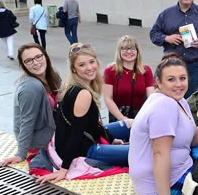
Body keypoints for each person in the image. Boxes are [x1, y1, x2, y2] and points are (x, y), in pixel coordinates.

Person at [129, 54, 198, 195]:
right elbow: (160, 154)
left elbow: (190, 141)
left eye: (182, 78)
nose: (178, 84)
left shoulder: (178, 100)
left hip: (177, 169)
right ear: (159, 82)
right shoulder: (165, 106)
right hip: (164, 184)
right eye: (171, 79)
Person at [37, 43, 130, 184]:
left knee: (133, 124)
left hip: (86, 137)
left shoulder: (83, 84)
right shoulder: (83, 93)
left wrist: (110, 138)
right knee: (143, 153)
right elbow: (76, 133)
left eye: (91, 62)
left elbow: (91, 124)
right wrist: (64, 169)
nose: (89, 68)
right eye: (82, 65)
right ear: (73, 68)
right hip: (83, 148)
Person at [0, 43, 61, 167]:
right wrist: (21, 154)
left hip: (50, 129)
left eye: (38, 56)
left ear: (45, 56)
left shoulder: (52, 75)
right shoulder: (31, 87)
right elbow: (27, 121)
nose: (35, 62)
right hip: (38, 139)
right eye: (29, 60)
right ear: (24, 65)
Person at [103, 36, 154, 126]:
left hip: (140, 115)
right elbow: (108, 98)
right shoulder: (110, 71)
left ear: (137, 51)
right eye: (125, 48)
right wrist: (123, 119)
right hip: (117, 116)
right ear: (119, 51)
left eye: (133, 49)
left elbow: (151, 97)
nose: (129, 52)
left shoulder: (146, 70)